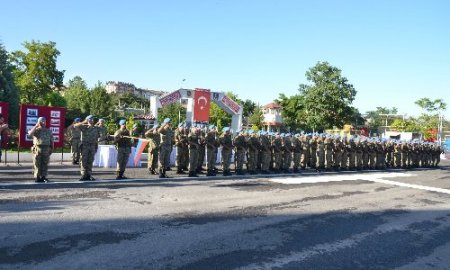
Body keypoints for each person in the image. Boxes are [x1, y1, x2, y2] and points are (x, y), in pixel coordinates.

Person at [74, 115, 100, 181]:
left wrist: (96, 145)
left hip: (92, 146)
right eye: (91, 119)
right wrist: (84, 121)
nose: (92, 120)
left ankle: (89, 175)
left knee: (90, 161)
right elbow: (75, 126)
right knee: (84, 161)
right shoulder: (84, 127)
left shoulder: (96, 128)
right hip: (85, 146)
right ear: (88, 120)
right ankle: (83, 175)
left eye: (93, 119)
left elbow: (99, 137)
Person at [28, 117, 54, 183]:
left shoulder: (48, 130)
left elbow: (51, 140)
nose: (44, 122)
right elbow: (30, 134)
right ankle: (37, 177)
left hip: (46, 148)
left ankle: (43, 177)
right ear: (39, 122)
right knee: (37, 163)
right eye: (42, 121)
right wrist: (36, 125)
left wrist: (52, 148)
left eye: (45, 121)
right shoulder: (36, 130)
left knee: (45, 163)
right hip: (38, 149)